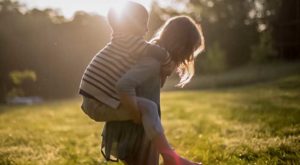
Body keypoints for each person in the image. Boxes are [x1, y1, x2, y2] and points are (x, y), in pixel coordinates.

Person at [79, 1, 204, 165]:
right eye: (188, 55)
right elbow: (123, 85)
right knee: (149, 108)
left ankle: (170, 157)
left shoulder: (133, 47)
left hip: (94, 99)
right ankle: (170, 158)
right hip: (97, 103)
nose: (146, 30)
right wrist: (135, 113)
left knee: (148, 109)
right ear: (181, 48)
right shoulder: (152, 60)